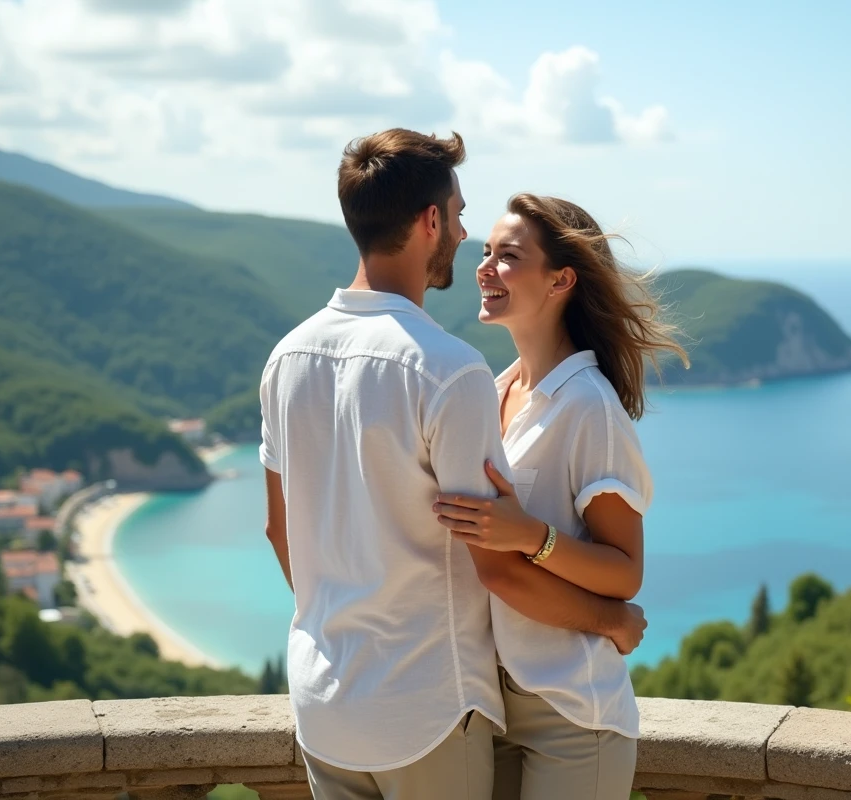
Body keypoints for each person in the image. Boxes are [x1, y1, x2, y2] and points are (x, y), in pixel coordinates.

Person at [259, 131, 648, 800]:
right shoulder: (461, 377)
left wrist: (345, 637)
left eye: (506, 254)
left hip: (333, 701)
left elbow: (279, 531)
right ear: (431, 221)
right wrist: (611, 621)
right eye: (465, 221)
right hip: (430, 707)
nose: (474, 250)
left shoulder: (285, 358)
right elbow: (495, 570)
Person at [431, 194, 688, 800]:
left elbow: (624, 572)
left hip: (573, 715)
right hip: (485, 705)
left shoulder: (589, 407)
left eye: (508, 256)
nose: (485, 267)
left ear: (561, 280)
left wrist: (530, 536)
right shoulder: (492, 392)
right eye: (485, 252)